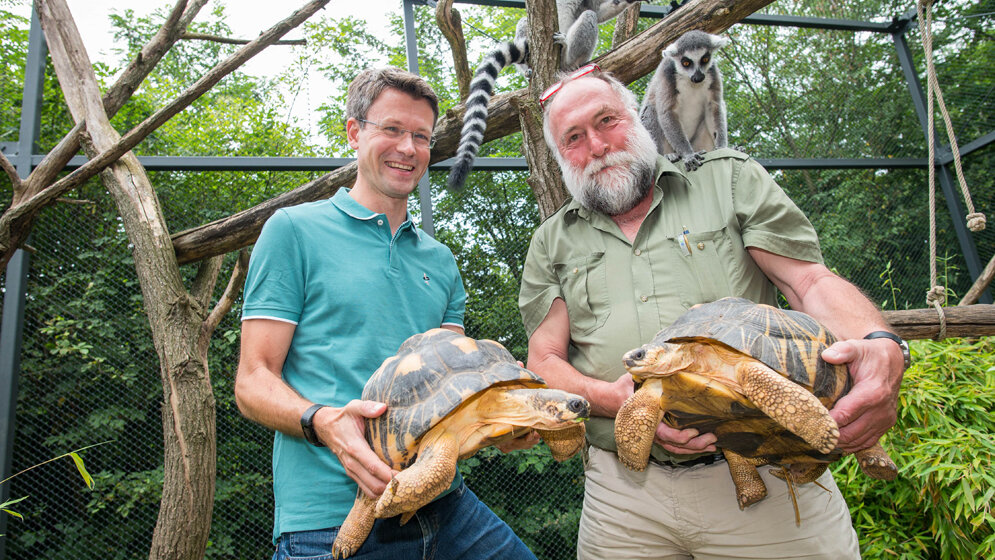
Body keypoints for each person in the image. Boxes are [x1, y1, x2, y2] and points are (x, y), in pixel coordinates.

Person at [518, 65, 908, 559]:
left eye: (606, 121)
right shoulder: (551, 241)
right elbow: (544, 358)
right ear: (559, 159)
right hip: (623, 498)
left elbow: (808, 280)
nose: (596, 145)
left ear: (637, 117)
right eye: (573, 137)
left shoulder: (727, 179)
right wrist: (617, 400)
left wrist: (878, 341)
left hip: (767, 467)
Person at [235, 67, 538, 560]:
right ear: (355, 132)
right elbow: (251, 382)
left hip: (443, 504)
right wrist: (324, 422)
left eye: (421, 136)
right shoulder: (293, 231)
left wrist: (501, 422)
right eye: (392, 130)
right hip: (328, 519)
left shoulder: (438, 260)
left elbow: (453, 384)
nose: (408, 147)